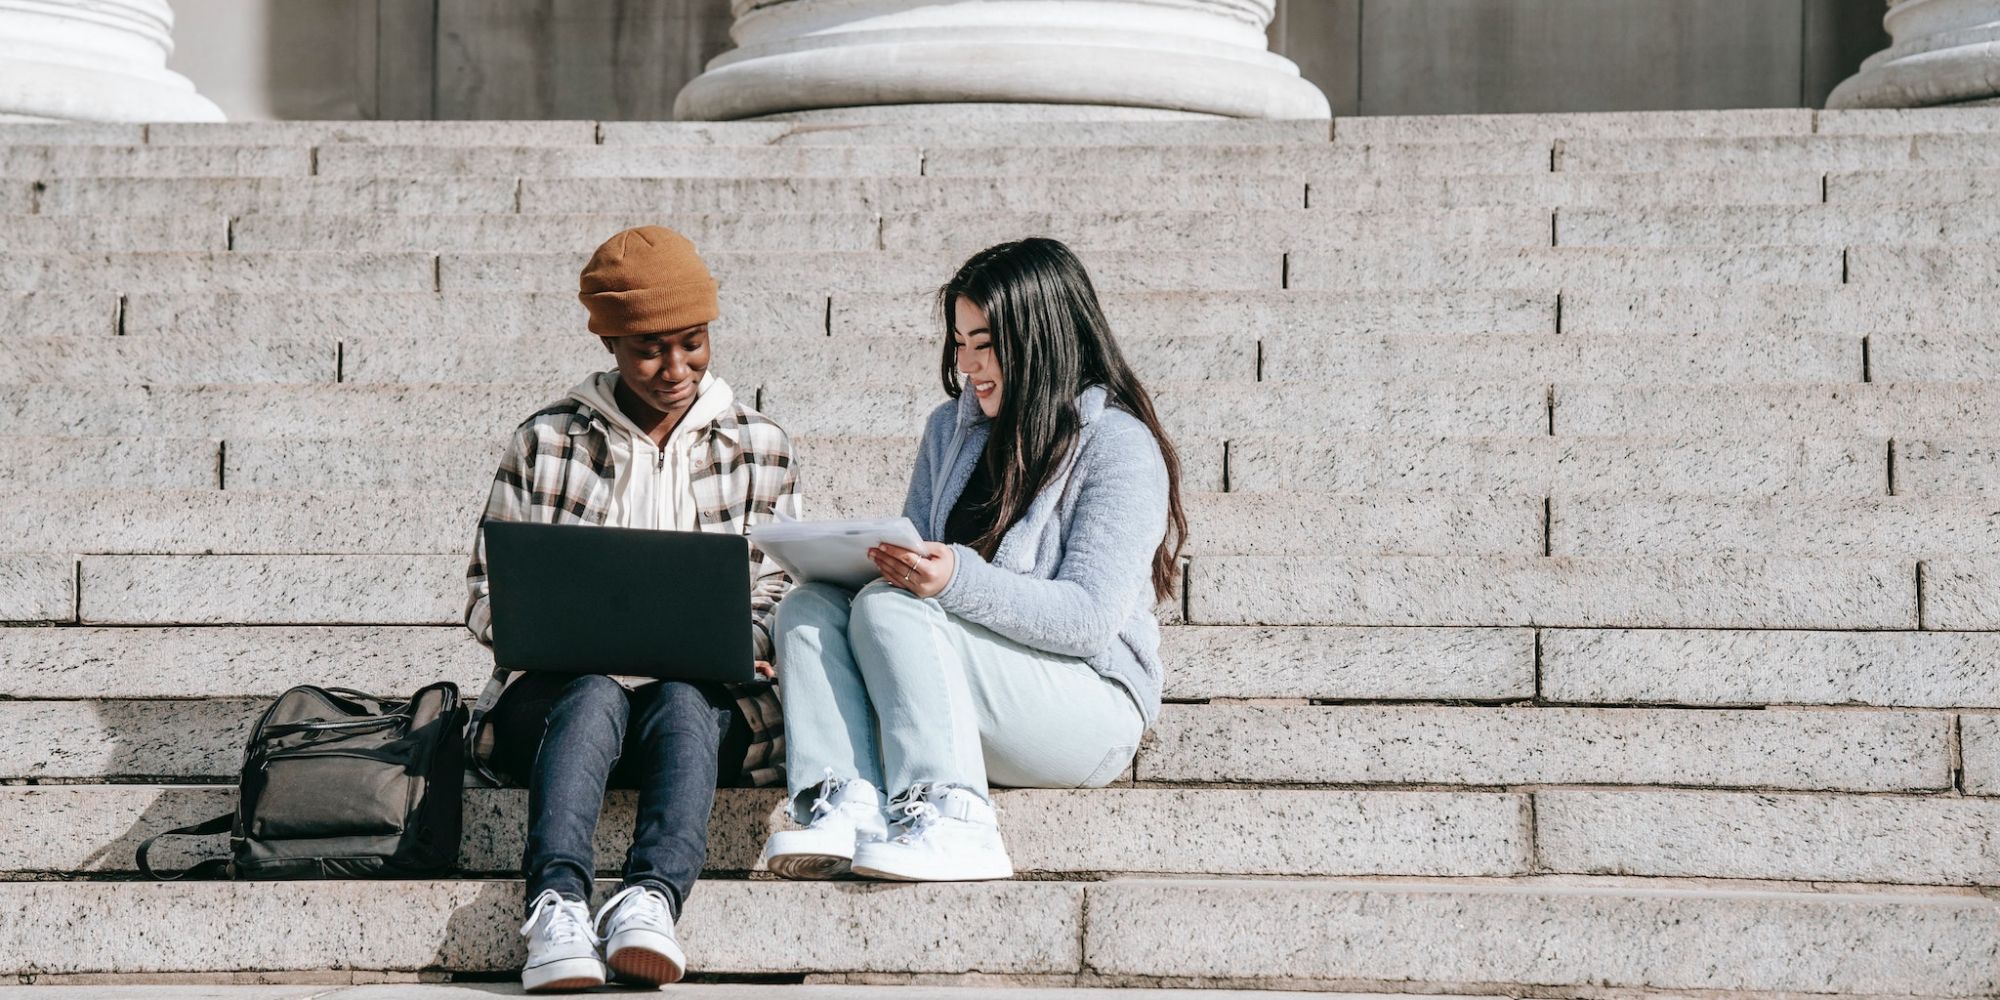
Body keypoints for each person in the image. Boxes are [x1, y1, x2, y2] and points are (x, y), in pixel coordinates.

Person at [758, 237, 1186, 882]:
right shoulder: (947, 430)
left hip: (1087, 706)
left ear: (1040, 338)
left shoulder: (1119, 447)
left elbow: (1090, 619)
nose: (967, 365)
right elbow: (914, 581)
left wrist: (954, 577)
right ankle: (845, 803)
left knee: (889, 607)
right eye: (959, 343)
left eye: (984, 343)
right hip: (973, 689)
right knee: (811, 606)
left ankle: (957, 821)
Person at [461, 225, 799, 991]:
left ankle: (650, 900)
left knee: (681, 701)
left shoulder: (761, 447)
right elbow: (487, 593)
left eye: (693, 342)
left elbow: (781, 585)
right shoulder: (545, 441)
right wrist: (551, 636)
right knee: (592, 694)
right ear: (610, 342)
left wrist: (739, 639)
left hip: (700, 710)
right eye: (649, 349)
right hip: (556, 705)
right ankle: (556, 905)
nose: (675, 368)